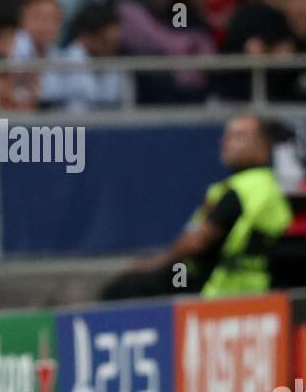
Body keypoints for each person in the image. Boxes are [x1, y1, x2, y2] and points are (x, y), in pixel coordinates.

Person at [100, 114, 292, 300]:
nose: (227, 142)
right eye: (227, 135)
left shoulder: (241, 190)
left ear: (264, 146)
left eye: (239, 136)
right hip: (251, 285)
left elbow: (196, 243)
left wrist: (157, 264)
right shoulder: (269, 186)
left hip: (214, 287)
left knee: (124, 289)